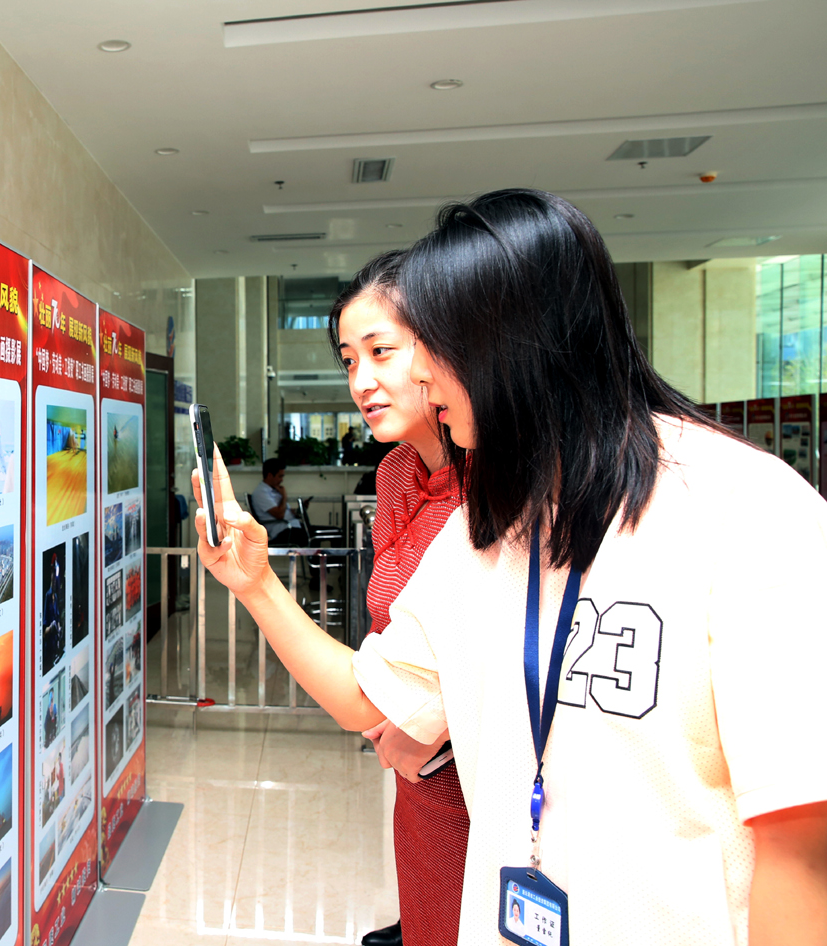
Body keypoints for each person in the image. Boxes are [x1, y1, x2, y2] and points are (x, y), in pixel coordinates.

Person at [194, 189, 827, 945]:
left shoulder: (746, 509)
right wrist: (257, 583)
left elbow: (803, 848)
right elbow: (371, 698)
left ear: (509, 341)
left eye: (428, 346)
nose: (419, 378)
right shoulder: (484, 529)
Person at [330, 250, 468, 946]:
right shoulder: (395, 473)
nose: (363, 381)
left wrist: (428, 724)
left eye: (381, 351)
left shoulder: (504, 489)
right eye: (349, 360)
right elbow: (390, 627)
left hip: (477, 778)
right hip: (414, 776)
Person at [249, 458, 307, 546]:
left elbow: (285, 511)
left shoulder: (275, 490)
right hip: (281, 530)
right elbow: (280, 514)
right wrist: (284, 497)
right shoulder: (261, 493)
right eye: (280, 476)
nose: (282, 480)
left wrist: (299, 510)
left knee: (318, 531)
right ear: (269, 475)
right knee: (310, 535)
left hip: (292, 526)